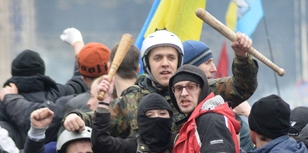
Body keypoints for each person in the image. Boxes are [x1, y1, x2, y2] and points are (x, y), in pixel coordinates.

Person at [63, 29, 258, 137]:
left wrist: (242, 57)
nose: (165, 63)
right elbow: (101, 120)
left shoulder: (202, 89)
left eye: (171, 58)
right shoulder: (132, 100)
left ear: (179, 62)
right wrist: (76, 116)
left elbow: (242, 87)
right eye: (158, 58)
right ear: (147, 64)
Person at [91, 90, 176, 153]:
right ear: (141, 119)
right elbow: (101, 144)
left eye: (162, 114)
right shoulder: (133, 147)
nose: (157, 118)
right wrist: (103, 105)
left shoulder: (180, 143)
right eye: (150, 115)